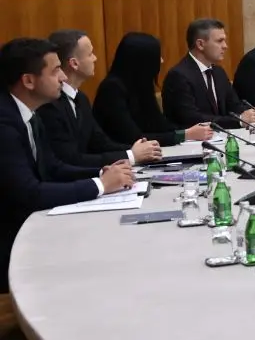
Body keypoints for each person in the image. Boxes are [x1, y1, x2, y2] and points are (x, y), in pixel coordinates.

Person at [0, 38, 134, 292]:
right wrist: (100, 185)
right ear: (28, 81)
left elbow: (53, 167)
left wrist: (102, 173)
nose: (63, 77)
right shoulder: (4, 124)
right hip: (11, 241)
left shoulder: (30, 113)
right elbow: (28, 193)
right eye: (55, 71)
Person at [37, 30, 162, 168]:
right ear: (74, 63)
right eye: (90, 54)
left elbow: (100, 143)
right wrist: (131, 155)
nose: (95, 58)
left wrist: (138, 150)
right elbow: (71, 159)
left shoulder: (81, 98)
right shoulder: (50, 105)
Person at [93, 33, 212, 146]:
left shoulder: (141, 85)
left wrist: (191, 130)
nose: (161, 61)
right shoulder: (112, 90)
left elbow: (159, 125)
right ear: (142, 60)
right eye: (157, 56)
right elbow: (134, 138)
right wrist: (184, 135)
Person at [161, 18, 255, 130]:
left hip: (220, 135)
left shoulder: (218, 72)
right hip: (193, 139)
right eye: (220, 41)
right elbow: (191, 118)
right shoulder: (178, 76)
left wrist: (254, 113)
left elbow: (233, 105)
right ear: (200, 44)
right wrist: (239, 120)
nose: (225, 46)